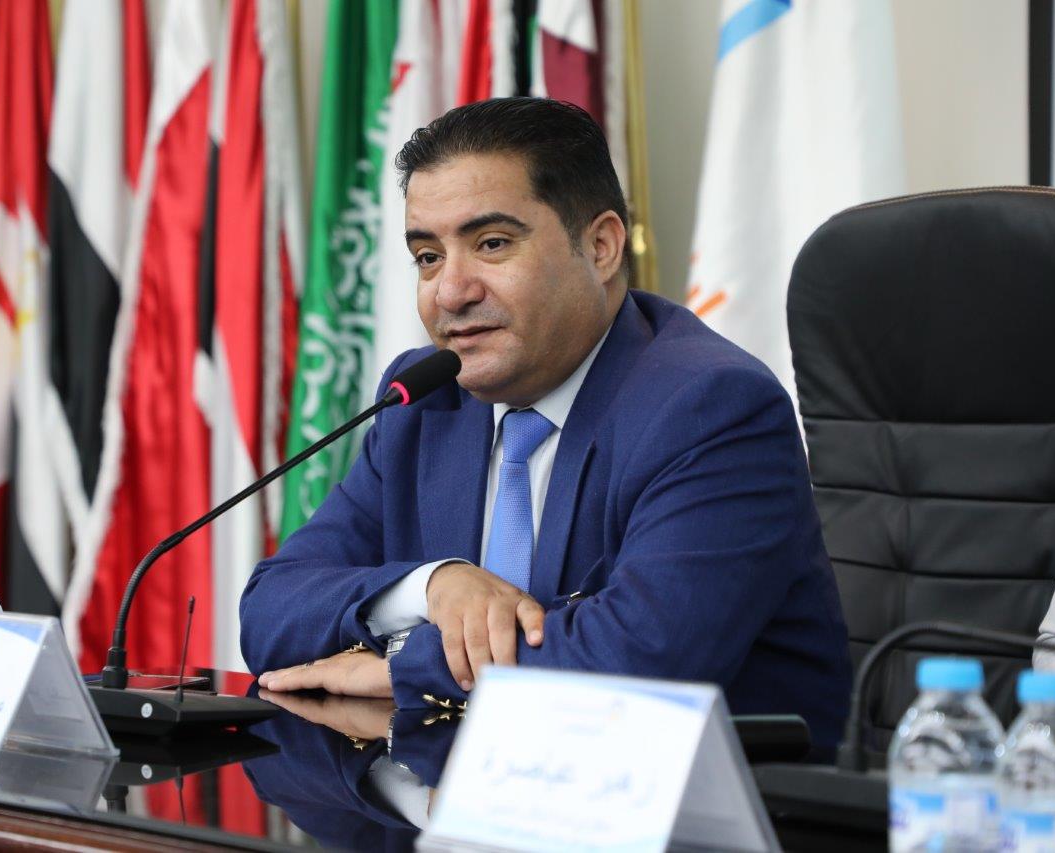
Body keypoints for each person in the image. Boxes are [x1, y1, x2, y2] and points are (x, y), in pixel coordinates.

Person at [240, 97, 852, 750]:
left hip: (705, 796)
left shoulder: (711, 407)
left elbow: (639, 659)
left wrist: (402, 668)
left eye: (492, 244)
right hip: (465, 782)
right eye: (428, 256)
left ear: (601, 246)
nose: (451, 291)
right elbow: (272, 608)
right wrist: (433, 586)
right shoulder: (426, 401)